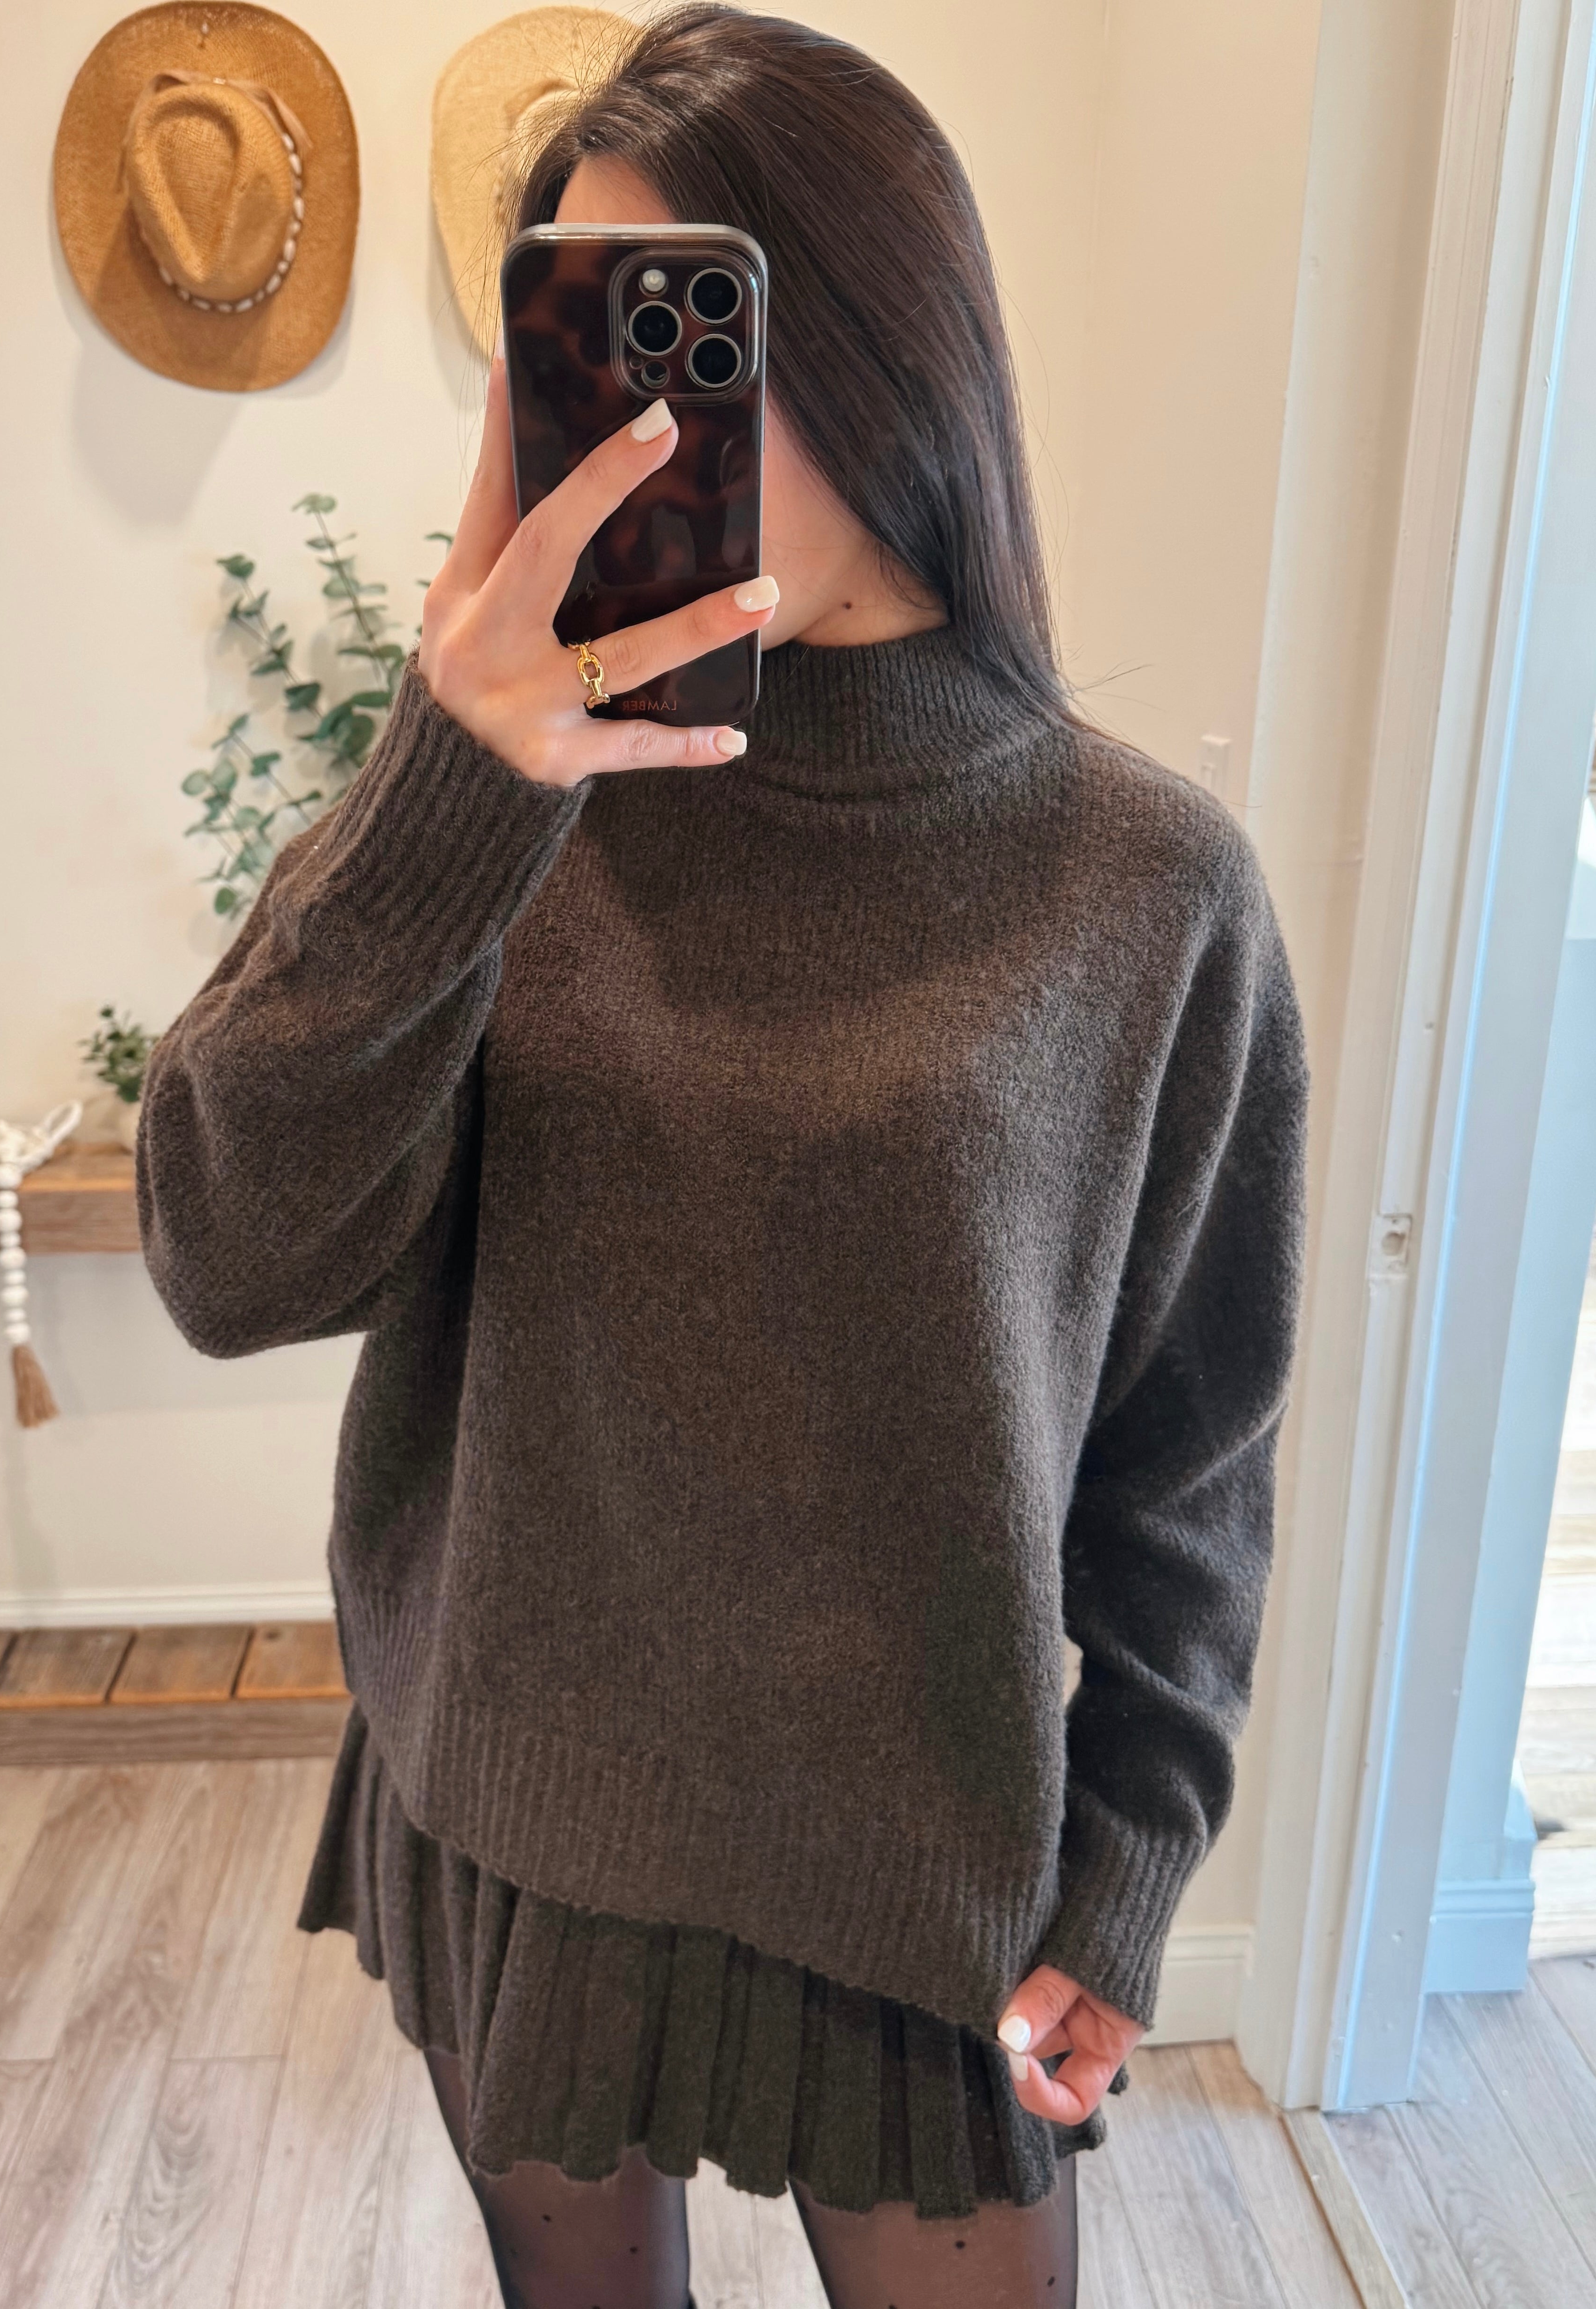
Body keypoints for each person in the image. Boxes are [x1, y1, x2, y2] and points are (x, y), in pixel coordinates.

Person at [135, 8, 1310, 2305]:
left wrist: (1130, 1862)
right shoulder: (493, 810)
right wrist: (451, 785)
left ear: (884, 347)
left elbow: (1188, 1449)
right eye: (585, 353)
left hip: (921, 1869)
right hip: (527, 1810)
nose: (637, 428)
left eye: (693, 338)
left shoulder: (1146, 887)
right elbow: (224, 1258)